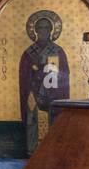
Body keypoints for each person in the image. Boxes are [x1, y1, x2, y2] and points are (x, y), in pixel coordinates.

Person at [18, 12, 69, 154]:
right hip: (33, 93)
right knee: (33, 119)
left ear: (51, 31)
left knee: (52, 119)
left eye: (46, 28)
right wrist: (33, 75)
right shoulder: (29, 52)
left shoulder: (58, 51)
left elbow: (64, 74)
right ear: (35, 31)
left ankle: (53, 150)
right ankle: (33, 151)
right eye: (40, 28)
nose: (43, 31)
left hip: (53, 94)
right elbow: (23, 74)